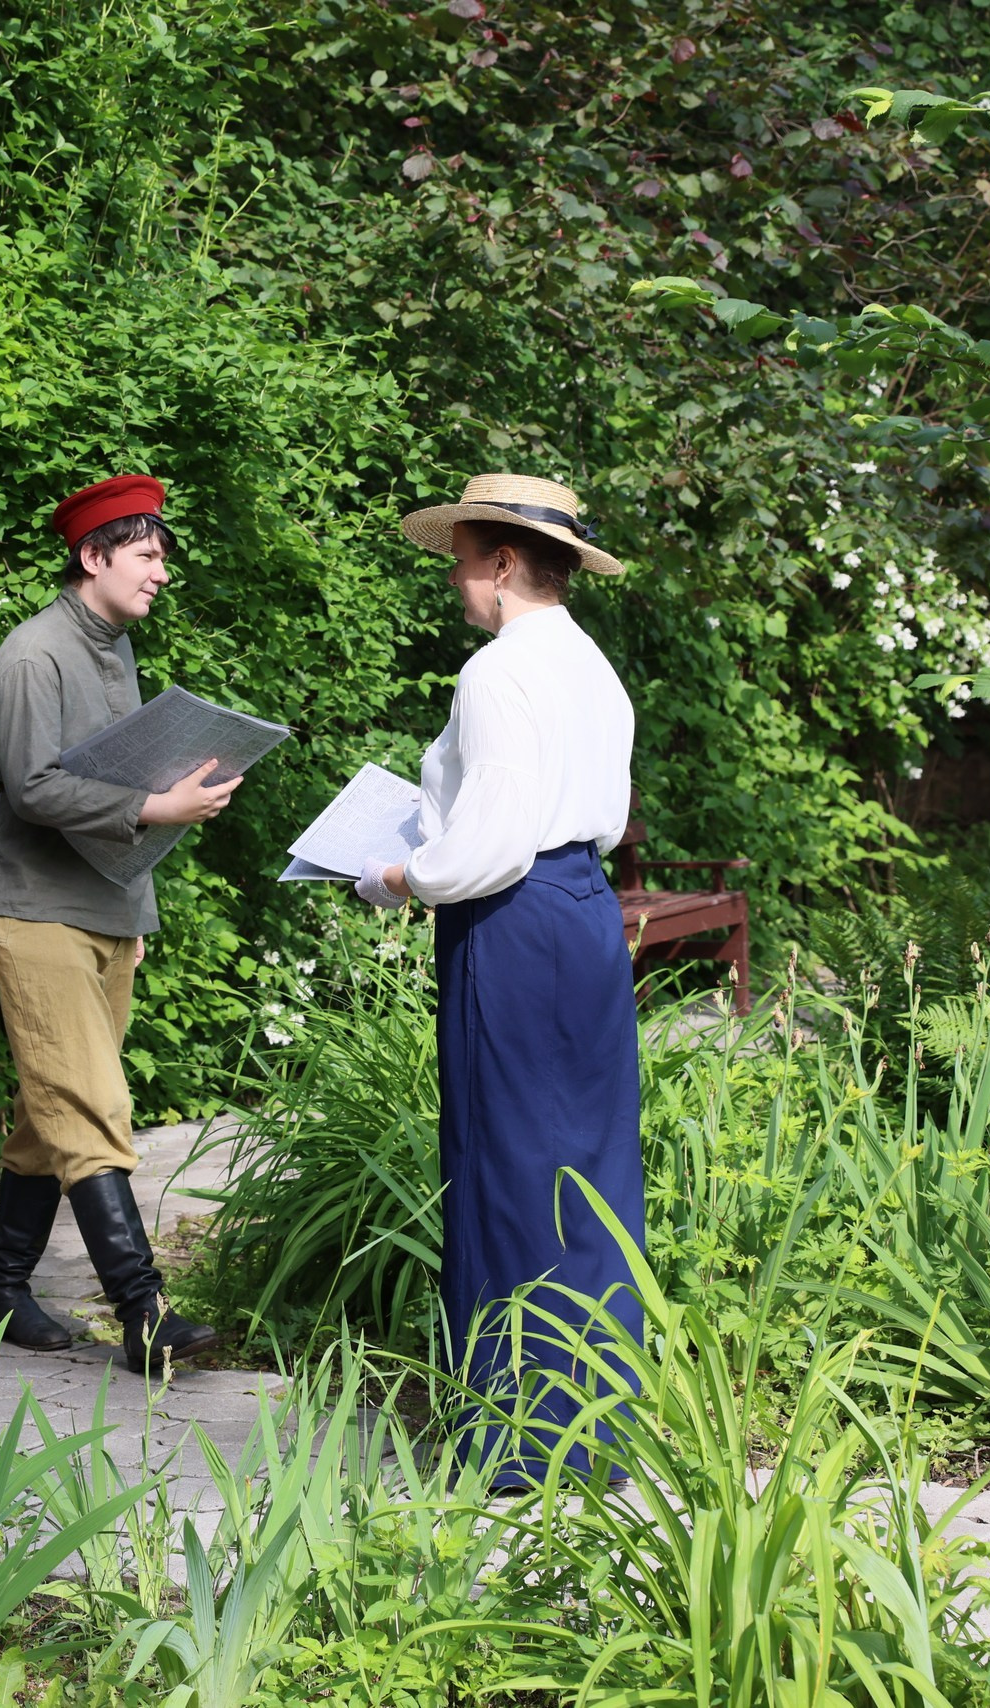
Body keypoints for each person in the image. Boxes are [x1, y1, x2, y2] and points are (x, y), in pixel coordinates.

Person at [358, 472, 641, 1485]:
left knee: (507, 1164)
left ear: (505, 563)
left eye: (462, 563)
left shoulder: (497, 672)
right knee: (589, 1171)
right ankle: (594, 1423)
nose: (455, 583)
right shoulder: (590, 666)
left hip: (513, 925)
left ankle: (519, 1440)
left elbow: (487, 845)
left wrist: (393, 876)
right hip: (583, 918)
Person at [0, 474, 239, 1375]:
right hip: (35, 910)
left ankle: (2, 1292)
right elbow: (33, 787)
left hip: (104, 910)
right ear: (95, 555)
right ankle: (142, 1312)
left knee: (50, 1116)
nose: (161, 575)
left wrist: (132, 908)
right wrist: (159, 805)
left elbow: (114, 785)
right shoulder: (34, 656)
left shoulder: (114, 647)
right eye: (149, 556)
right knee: (87, 1102)